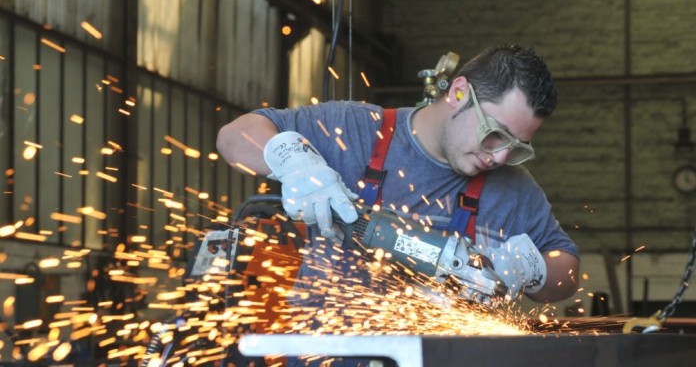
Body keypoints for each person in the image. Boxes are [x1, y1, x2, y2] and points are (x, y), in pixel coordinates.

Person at [217, 44, 580, 306]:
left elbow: (567, 268)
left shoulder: (514, 189)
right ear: (458, 93)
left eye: (517, 146)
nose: (500, 156)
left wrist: (530, 269)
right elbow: (234, 136)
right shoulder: (354, 130)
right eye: (495, 133)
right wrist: (295, 162)